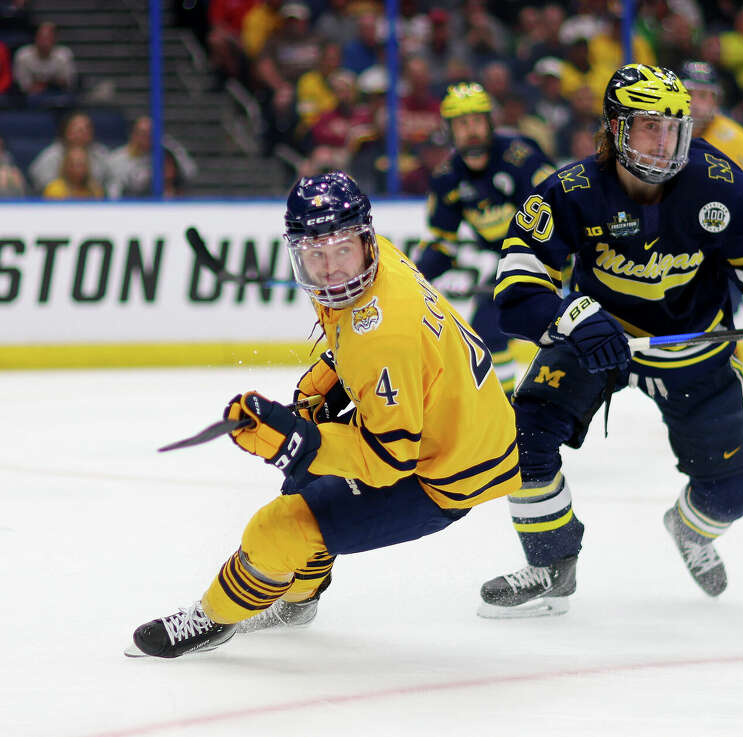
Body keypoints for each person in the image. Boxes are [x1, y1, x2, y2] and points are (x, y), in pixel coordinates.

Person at [477, 64, 743, 618]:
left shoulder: (719, 183)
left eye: (674, 128)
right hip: (599, 340)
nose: (664, 143)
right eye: (649, 127)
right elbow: (517, 291)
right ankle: (552, 565)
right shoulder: (569, 191)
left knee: (728, 498)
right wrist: (574, 314)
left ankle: (689, 530)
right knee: (520, 438)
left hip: (695, 353)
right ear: (614, 129)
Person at [126, 172, 521, 658]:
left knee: (277, 527)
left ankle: (214, 618)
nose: (330, 269)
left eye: (340, 251)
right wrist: (331, 372)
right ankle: (299, 600)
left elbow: (389, 459)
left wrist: (297, 441)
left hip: (447, 471)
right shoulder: (384, 258)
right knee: (305, 487)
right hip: (462, 422)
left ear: (363, 241)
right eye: (315, 254)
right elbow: (369, 341)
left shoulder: (383, 339)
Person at [413, 81, 556, 396]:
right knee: (486, 334)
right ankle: (505, 405)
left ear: (490, 123)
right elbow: (443, 244)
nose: (471, 130)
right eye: (461, 124)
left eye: (477, 121)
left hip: (553, 255)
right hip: (509, 262)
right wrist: (415, 277)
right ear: (450, 131)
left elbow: (559, 213)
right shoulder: (447, 178)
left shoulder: (521, 159)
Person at [679, 60, 743, 186]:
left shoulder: (739, 141)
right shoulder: (662, 132)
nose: (694, 103)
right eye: (688, 93)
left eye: (703, 95)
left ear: (716, 100)